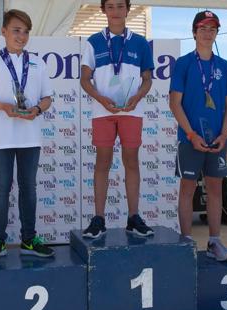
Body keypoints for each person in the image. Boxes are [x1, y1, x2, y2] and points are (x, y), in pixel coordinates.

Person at [0, 9, 54, 261]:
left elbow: (48, 98)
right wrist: (4, 107)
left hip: (30, 136)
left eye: (26, 31)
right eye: (16, 30)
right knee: (1, 188)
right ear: (4, 32)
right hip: (2, 138)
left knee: (29, 188)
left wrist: (38, 109)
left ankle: (29, 238)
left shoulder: (38, 63)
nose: (21, 36)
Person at [80, 0, 155, 239]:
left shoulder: (140, 43)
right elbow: (84, 79)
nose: (115, 11)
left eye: (120, 6)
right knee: (103, 162)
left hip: (131, 111)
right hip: (103, 112)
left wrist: (137, 97)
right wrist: (101, 99)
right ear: (103, 10)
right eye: (110, 6)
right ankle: (99, 218)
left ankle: (133, 217)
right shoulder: (93, 42)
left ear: (128, 9)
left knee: (131, 162)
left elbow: (147, 79)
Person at [169, 10, 227, 261]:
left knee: (215, 190)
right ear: (194, 32)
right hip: (190, 138)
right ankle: (187, 241)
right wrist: (190, 134)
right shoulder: (184, 63)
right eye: (203, 28)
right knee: (187, 189)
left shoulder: (224, 66)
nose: (207, 33)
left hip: (217, 140)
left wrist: (224, 134)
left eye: (212, 29)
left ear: (217, 33)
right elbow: (175, 103)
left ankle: (214, 241)